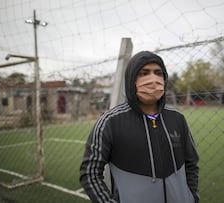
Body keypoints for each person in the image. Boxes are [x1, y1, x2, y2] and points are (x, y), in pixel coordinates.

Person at [79, 51, 199, 203]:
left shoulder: (177, 118)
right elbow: (90, 173)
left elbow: (191, 164)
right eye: (144, 73)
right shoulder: (110, 122)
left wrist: (192, 197)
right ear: (131, 79)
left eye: (158, 73)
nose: (153, 79)